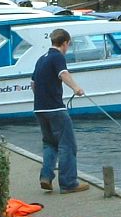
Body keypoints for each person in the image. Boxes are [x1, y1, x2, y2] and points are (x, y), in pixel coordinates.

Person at [32, 28, 90, 194]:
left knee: (50, 143)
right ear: (65, 43)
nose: (67, 48)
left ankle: (46, 177)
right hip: (55, 108)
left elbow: (33, 84)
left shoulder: (40, 59)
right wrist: (76, 88)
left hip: (39, 109)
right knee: (67, 145)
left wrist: (42, 97)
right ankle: (68, 183)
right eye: (68, 45)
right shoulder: (57, 57)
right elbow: (63, 74)